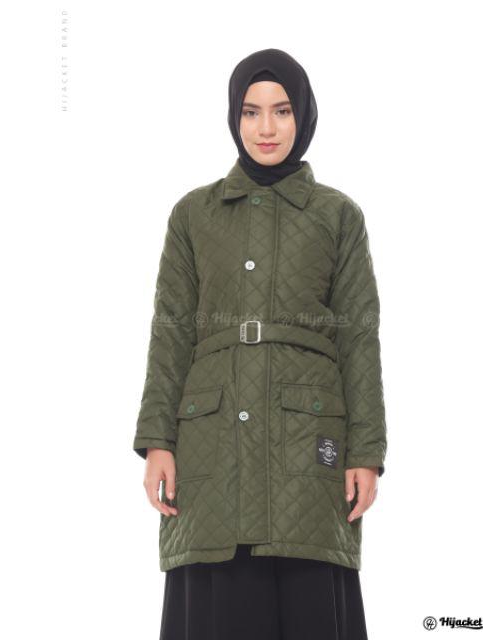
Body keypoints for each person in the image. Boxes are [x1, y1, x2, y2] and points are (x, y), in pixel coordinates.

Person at [132, 48, 388, 640]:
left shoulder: (337, 216)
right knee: (221, 599)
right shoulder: (193, 214)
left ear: (304, 116)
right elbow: (170, 329)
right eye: (251, 112)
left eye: (281, 111)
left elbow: (359, 337)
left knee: (307, 587)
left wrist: (366, 450)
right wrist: (157, 441)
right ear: (234, 117)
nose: (265, 128)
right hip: (210, 438)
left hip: (308, 439)